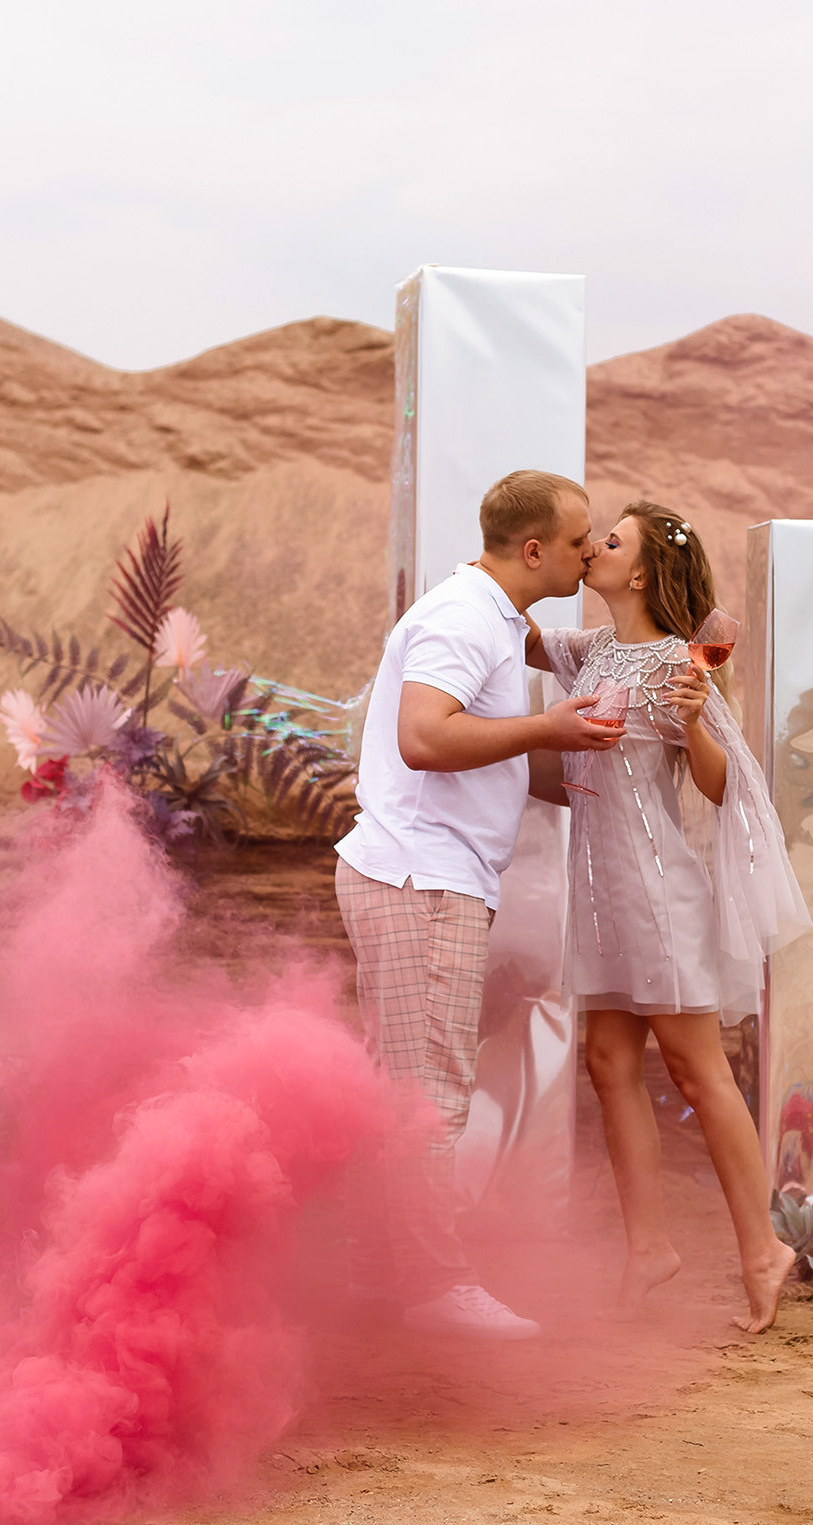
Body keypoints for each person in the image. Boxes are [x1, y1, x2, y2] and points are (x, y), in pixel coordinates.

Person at [334, 468, 621, 1341]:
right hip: (423, 881)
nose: (588, 555)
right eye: (579, 542)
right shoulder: (465, 620)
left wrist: (594, 775)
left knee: (413, 1089)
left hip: (431, 877)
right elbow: (424, 737)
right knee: (429, 1096)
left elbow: (488, 754)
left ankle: (389, 1281)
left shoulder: (492, 618)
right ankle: (431, 1288)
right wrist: (550, 728)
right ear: (534, 550)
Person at [526, 501, 811, 1333]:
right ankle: (648, 1248)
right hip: (603, 897)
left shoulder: (678, 667)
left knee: (697, 1072)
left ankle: (762, 1249)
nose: (592, 550)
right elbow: (514, 620)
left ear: (643, 572)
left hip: (659, 894)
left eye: (608, 543)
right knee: (609, 1061)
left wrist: (692, 723)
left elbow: (725, 790)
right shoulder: (588, 649)